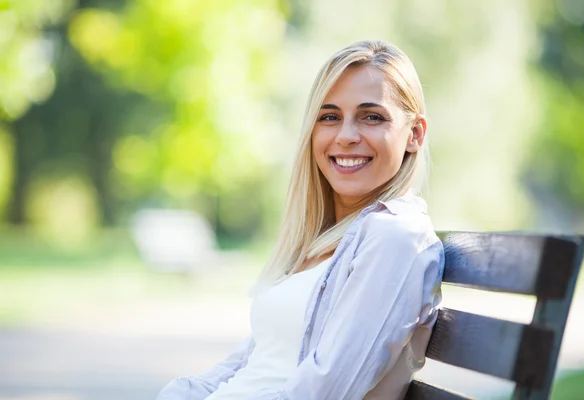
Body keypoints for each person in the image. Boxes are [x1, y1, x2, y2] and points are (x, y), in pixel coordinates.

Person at [157, 39, 445, 400]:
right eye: (329, 117)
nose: (346, 136)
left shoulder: (396, 237)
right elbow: (253, 364)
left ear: (414, 134)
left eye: (372, 117)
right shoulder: (328, 240)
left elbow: (323, 391)